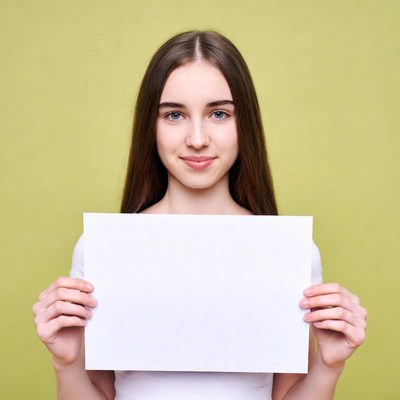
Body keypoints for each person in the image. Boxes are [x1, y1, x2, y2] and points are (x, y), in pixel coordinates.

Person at [32, 30, 367, 400]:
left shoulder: (288, 252)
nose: (196, 138)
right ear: (151, 126)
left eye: (219, 114)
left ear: (245, 125)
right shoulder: (103, 248)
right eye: (174, 114)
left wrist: (328, 365)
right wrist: (66, 363)